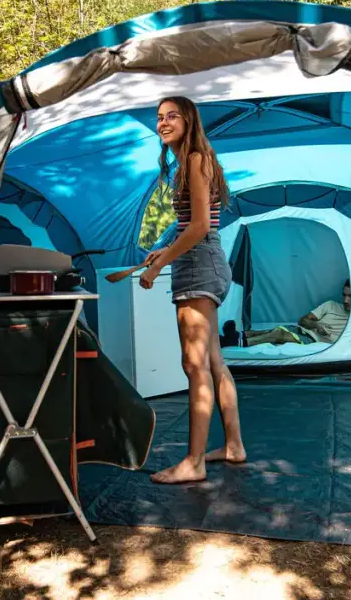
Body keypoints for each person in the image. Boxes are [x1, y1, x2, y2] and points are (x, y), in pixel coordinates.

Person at [138, 95, 247, 484]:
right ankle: (233, 446)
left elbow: (200, 226)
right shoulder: (193, 161)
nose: (163, 123)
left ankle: (194, 462)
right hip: (202, 258)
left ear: (189, 121)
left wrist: (161, 265)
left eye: (172, 117)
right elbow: (197, 223)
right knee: (214, 363)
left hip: (199, 264)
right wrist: (166, 249)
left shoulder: (196, 159)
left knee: (194, 365)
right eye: (159, 118)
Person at [241, 280, 351, 347]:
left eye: (350, 296)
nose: (345, 300)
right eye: (344, 295)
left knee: (278, 334)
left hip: (312, 340)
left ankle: (240, 343)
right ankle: (238, 335)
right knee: (273, 330)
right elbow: (302, 320)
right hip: (302, 330)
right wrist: (316, 325)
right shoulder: (331, 305)